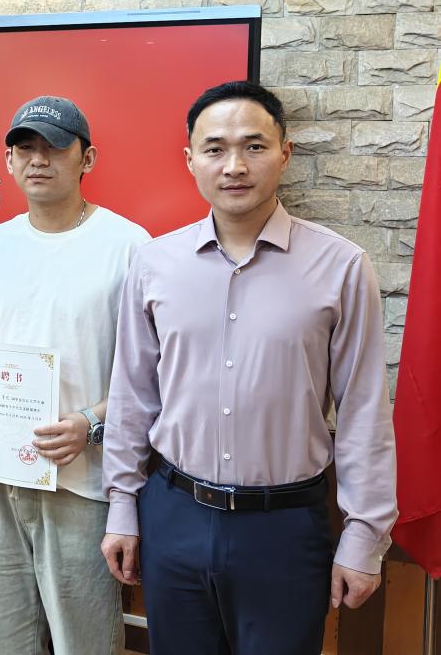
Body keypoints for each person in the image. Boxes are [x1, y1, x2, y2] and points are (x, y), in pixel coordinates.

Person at [101, 81, 397, 655]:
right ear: (190, 160)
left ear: (284, 154)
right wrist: (122, 506)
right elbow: (133, 395)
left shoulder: (341, 266)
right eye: (214, 148)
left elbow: (364, 410)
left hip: (284, 526)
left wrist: (365, 534)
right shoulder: (155, 264)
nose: (234, 165)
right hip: (173, 514)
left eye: (253, 146)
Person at [0, 97, 149, 655]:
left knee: (84, 639)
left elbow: (149, 371)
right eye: (25, 148)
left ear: (88, 159)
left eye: (54, 147)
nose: (38, 160)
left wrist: (90, 421)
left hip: (80, 480)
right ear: (9, 160)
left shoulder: (129, 246)